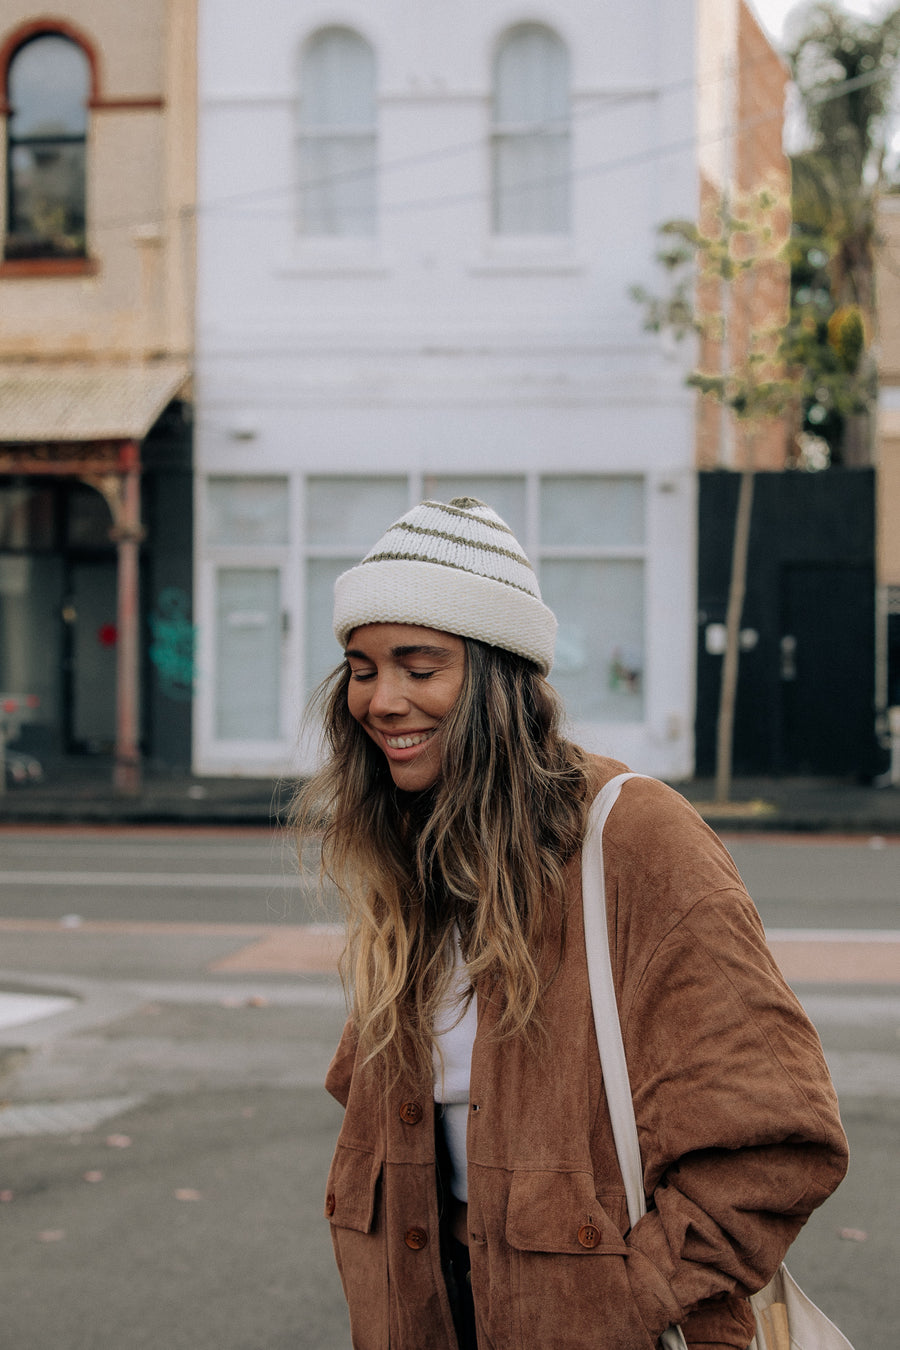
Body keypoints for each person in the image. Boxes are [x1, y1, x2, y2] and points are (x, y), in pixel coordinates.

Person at [293, 497, 848, 1350]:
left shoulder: (634, 837)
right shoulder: (416, 857)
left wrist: (623, 1303)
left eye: (419, 665)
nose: (383, 700)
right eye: (363, 668)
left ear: (498, 675)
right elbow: (376, 1108)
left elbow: (775, 1136)